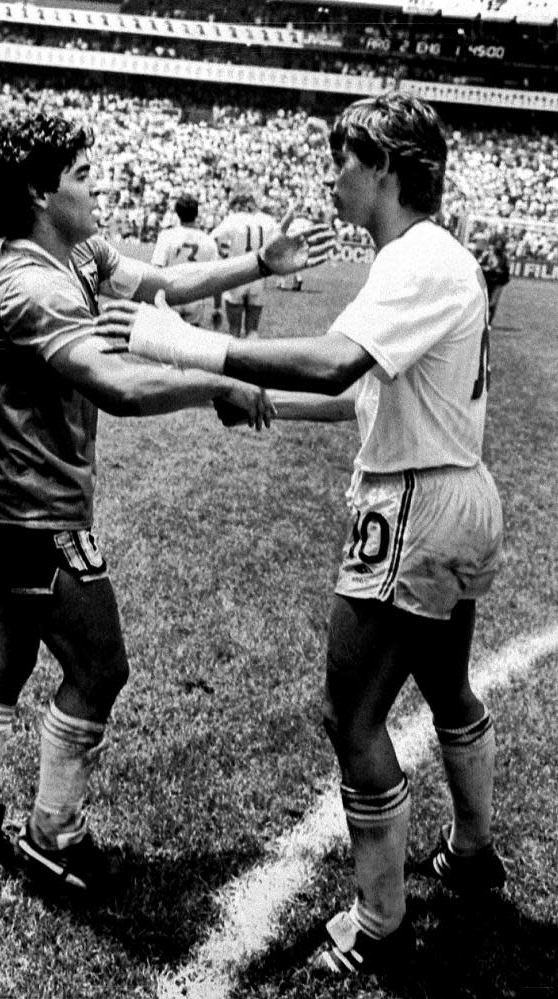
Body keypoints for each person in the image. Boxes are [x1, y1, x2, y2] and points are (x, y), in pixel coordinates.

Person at [98, 93, 505, 978]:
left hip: (412, 505)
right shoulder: (434, 258)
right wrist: (253, 396)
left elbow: (333, 359)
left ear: (386, 167)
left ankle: (380, 921)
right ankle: (472, 854)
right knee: (443, 683)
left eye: (344, 160)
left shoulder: (415, 257)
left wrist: (185, 346)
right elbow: (353, 394)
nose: (332, 176)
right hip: (457, 490)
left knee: (348, 715)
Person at [0, 113, 330, 893]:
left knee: (3, 663)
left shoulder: (72, 251)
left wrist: (260, 261)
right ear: (43, 193)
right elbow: (115, 384)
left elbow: (165, 285)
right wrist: (215, 379)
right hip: (34, 511)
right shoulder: (33, 285)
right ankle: (55, 831)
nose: (97, 183)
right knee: (100, 667)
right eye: (81, 174)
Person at [211, 189, 278, 338]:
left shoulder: (234, 219)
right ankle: (251, 358)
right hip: (259, 273)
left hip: (238, 272)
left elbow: (213, 237)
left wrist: (222, 253)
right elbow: (278, 241)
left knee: (234, 329)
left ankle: (234, 360)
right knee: (252, 330)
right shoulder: (268, 220)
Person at [150, 192, 220, 328]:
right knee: (190, 341)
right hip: (195, 295)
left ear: (177, 213)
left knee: (169, 339)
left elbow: (156, 270)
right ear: (197, 213)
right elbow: (216, 276)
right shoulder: (208, 240)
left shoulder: (167, 236)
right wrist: (217, 307)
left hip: (172, 293)